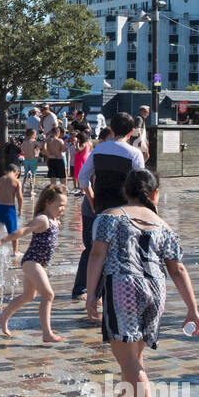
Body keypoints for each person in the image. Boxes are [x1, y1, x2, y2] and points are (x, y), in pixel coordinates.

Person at [85, 169, 199, 397]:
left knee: (125, 357)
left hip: (123, 286)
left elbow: (97, 255)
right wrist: (192, 309)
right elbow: (178, 270)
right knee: (134, 352)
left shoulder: (109, 218)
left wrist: (91, 293)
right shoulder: (164, 226)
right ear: (155, 194)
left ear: (125, 191)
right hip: (155, 289)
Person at [73, 114, 146, 302]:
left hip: (99, 210)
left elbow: (82, 179)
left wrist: (92, 199)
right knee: (121, 252)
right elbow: (140, 186)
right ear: (131, 132)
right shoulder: (134, 154)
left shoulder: (99, 150)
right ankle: (113, 295)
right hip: (123, 212)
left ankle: (88, 293)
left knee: (93, 250)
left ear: (111, 129)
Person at [0, 184, 66, 342]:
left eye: (64, 205)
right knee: (48, 295)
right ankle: (47, 333)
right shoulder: (42, 219)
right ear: (48, 202)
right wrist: (1, 241)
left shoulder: (53, 219)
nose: (62, 209)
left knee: (28, 295)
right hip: (32, 262)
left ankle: (3, 317)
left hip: (37, 263)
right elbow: (22, 231)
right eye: (60, 205)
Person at [0, 163, 24, 258]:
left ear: (6, 171)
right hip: (9, 209)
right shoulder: (16, 182)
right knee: (13, 232)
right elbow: (20, 197)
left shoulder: (0, 180)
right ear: (17, 173)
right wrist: (20, 209)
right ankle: (15, 252)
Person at [19, 129, 41, 197]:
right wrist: (37, 151)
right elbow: (39, 147)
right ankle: (31, 190)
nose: (36, 136)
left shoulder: (24, 142)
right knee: (33, 175)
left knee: (25, 175)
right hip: (33, 160)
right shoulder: (34, 142)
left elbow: (21, 151)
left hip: (26, 160)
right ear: (32, 135)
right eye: (35, 134)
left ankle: (22, 189)